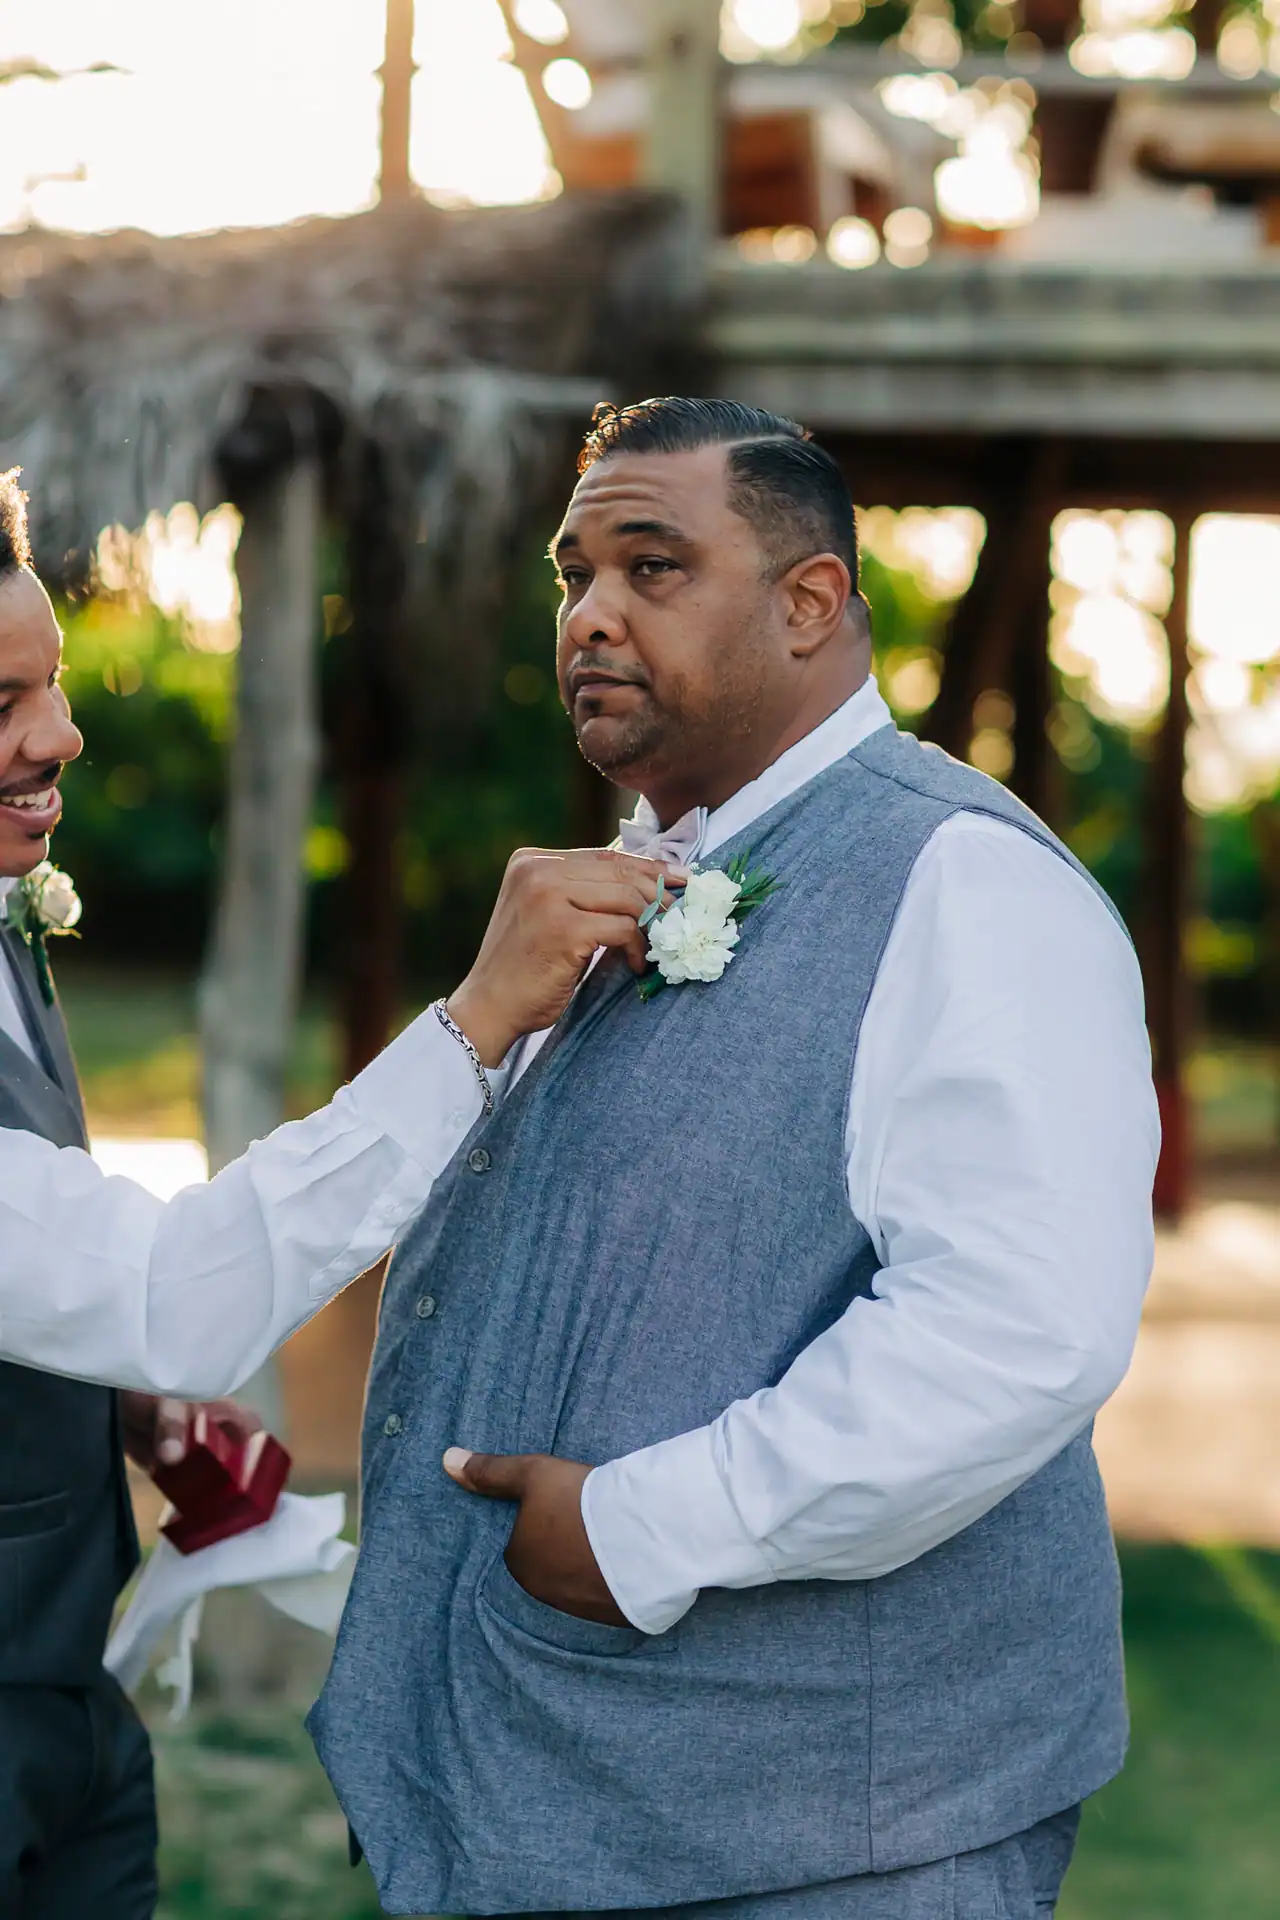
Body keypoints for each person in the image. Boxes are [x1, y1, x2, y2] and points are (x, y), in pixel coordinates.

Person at [304, 398, 1160, 1920]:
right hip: (590, 1797)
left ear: (811, 602)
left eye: (653, 567)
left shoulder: (961, 880)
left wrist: (637, 1531)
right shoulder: (627, 880)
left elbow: (1019, 1330)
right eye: (574, 575)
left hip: (826, 1835)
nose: (591, 616)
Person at [0, 466, 675, 1918]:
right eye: (0, 706)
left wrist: (110, 1403)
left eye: (45, 687)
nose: (59, 735)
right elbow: (162, 1289)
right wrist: (473, 1022)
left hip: (65, 1712)